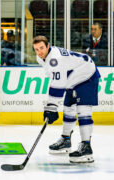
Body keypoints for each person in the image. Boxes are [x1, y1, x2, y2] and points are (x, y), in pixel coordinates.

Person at [33, 35, 100, 163]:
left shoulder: (54, 58)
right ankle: (66, 140)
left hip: (86, 76)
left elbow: (58, 84)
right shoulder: (41, 58)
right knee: (68, 108)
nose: (39, 52)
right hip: (73, 78)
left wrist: (51, 107)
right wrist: (51, 107)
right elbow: (55, 79)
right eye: (36, 49)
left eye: (42, 48)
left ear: (48, 46)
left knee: (83, 111)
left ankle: (86, 147)